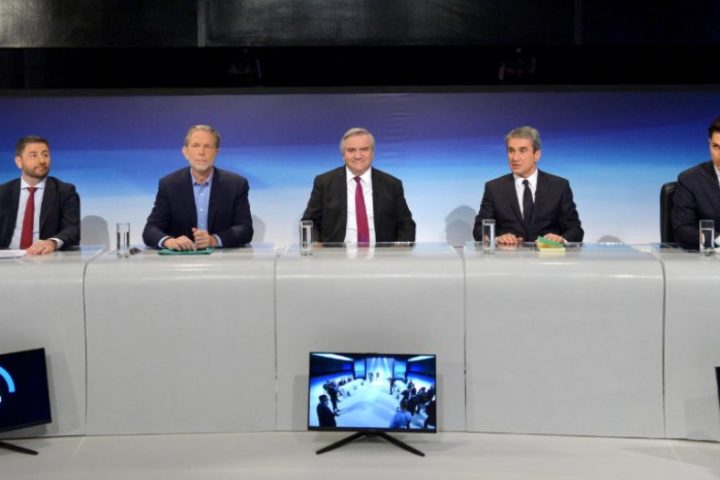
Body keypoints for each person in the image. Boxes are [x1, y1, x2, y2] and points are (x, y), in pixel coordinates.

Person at [142, 125, 253, 250]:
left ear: (216, 152)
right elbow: (150, 230)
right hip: (181, 258)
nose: (201, 152)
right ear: (185, 152)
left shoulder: (236, 185)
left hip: (220, 257)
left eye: (207, 146)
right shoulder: (169, 185)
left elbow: (245, 230)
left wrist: (214, 240)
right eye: (195, 146)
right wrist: (169, 241)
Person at [301, 127, 415, 244]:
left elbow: (406, 224)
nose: (358, 156)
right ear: (343, 155)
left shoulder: (392, 184)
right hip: (335, 253)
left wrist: (401, 248)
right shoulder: (324, 182)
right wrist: (315, 245)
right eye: (351, 150)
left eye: (364, 149)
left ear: (373, 153)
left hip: (381, 253)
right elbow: (309, 222)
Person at [473, 126, 583, 245]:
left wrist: (561, 239)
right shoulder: (494, 188)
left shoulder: (559, 186)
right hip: (508, 255)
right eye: (511, 151)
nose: (515, 158)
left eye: (522, 151)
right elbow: (479, 230)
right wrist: (496, 238)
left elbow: (576, 230)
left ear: (537, 155)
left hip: (547, 254)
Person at [0, 135, 80, 254]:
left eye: (45, 155)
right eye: (34, 155)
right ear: (19, 161)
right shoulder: (3, 192)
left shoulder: (64, 191)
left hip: (44, 257)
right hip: (6, 257)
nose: (42, 160)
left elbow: (72, 230)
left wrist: (52, 242)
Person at [671, 117, 720, 249]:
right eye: (716, 147)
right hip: (709, 257)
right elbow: (682, 230)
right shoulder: (690, 180)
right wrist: (717, 239)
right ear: (709, 144)